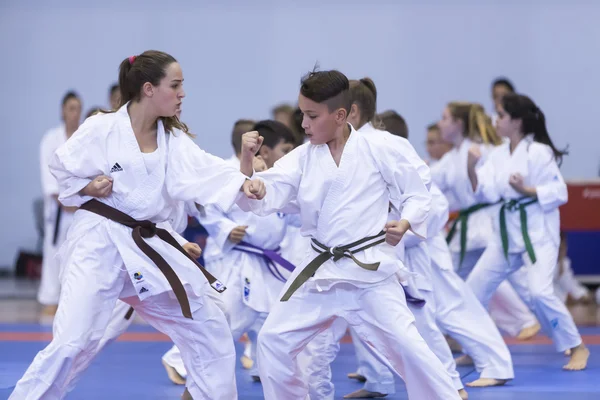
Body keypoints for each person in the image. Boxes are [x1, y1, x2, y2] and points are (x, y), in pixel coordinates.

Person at [10, 50, 265, 400]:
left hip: (147, 247)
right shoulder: (102, 127)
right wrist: (87, 187)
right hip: (99, 243)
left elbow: (208, 172)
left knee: (209, 327)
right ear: (148, 89)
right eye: (175, 85)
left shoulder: (173, 142)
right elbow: (62, 169)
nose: (182, 94)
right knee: (73, 342)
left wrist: (243, 182)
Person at [237, 70, 460, 400]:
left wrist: (406, 221)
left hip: (368, 272)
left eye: (312, 116)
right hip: (320, 272)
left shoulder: (381, 148)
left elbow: (417, 192)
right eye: (302, 114)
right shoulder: (302, 158)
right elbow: (269, 189)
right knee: (272, 340)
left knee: (411, 349)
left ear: (340, 115)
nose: (304, 124)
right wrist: (254, 182)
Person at [466, 93, 589, 371]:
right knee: (473, 290)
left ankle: (577, 346)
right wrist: (471, 167)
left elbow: (559, 192)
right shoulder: (496, 155)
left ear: (517, 122)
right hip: (506, 236)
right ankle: (477, 348)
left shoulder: (539, 152)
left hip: (538, 235)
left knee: (539, 292)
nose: (496, 121)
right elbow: (483, 192)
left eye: (501, 116)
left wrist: (526, 190)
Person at [433, 101, 541, 341]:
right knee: (452, 276)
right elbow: (427, 180)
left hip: (490, 220)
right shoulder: (452, 157)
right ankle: (451, 331)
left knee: (504, 279)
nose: (440, 123)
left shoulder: (482, 150)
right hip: (469, 226)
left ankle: (527, 320)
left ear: (459, 124)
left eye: (445, 118)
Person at [38, 91, 82, 317]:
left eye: (78, 108)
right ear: (63, 111)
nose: (75, 113)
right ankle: (49, 299)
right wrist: (64, 200)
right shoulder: (51, 139)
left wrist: (79, 200)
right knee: (53, 255)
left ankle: (72, 300)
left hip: (80, 208)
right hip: (58, 209)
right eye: (71, 108)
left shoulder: (84, 138)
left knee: (76, 256)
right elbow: (49, 177)